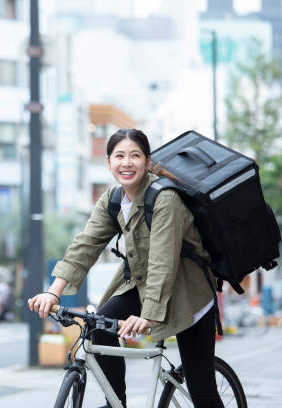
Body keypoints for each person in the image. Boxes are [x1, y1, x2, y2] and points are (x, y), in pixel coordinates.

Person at [28, 129, 223, 408]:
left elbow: (162, 262)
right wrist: (54, 292)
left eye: (135, 156)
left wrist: (148, 316)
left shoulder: (165, 199)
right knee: (100, 326)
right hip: (143, 284)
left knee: (202, 388)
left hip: (188, 293)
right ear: (109, 162)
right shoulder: (113, 199)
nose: (126, 163)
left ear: (147, 160)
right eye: (119, 156)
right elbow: (84, 246)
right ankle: (115, 403)